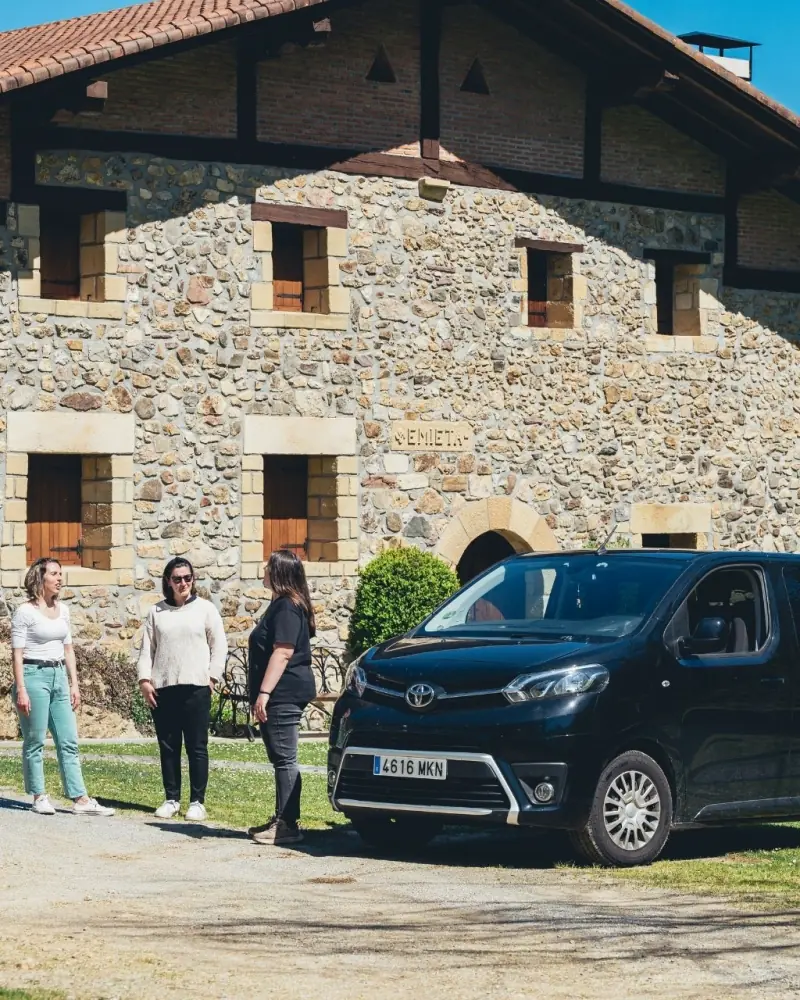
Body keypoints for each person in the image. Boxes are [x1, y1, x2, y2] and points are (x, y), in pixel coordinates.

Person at [11, 558, 115, 816]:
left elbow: (68, 650)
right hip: (33, 676)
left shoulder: (64, 610)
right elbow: (17, 654)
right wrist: (21, 689)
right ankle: (39, 796)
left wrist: (74, 684)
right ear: (40, 578)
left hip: (59, 676)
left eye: (61, 574)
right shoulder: (25, 612)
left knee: (68, 740)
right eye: (54, 574)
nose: (60, 578)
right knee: (35, 740)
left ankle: (80, 799)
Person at [137, 557, 227, 822]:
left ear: (193, 579)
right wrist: (144, 680)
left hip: (196, 686)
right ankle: (171, 799)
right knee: (168, 746)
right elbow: (146, 650)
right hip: (164, 687)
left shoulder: (206, 609)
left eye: (188, 578)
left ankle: (197, 802)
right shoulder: (156, 612)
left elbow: (219, 646)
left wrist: (212, 678)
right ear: (168, 581)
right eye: (177, 579)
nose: (183, 583)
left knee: (197, 746)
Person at [248, 550, 317, 846]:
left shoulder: (287, 607)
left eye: (268, 567)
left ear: (279, 573)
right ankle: (282, 817)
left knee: (285, 758)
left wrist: (264, 693)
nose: (263, 570)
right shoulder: (282, 605)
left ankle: (287, 824)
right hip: (282, 692)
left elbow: (283, 652)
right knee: (281, 757)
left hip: (284, 692)